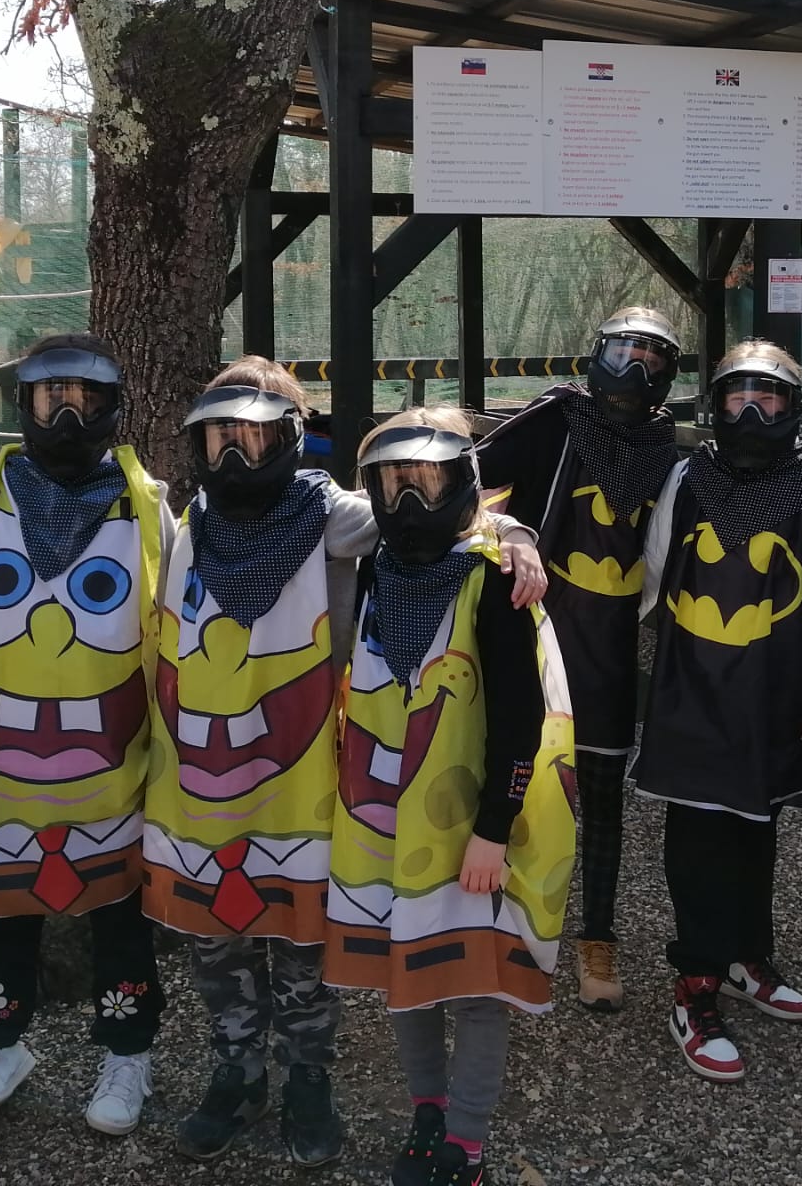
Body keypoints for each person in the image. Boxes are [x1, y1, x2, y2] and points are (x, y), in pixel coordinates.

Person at [143, 357, 545, 1168]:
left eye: (255, 434)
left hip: (305, 778)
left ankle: (308, 1080)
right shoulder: (192, 526)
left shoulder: (327, 516)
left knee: (301, 942)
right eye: (221, 437)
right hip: (204, 777)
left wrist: (516, 536)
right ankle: (236, 1072)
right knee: (218, 935)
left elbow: (435, 511)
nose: (236, 454)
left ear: (290, 436)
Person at [0, 334, 174, 1136]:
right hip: (3, 760)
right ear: (22, 405)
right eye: (49, 398)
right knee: (2, 910)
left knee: (120, 915)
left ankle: (127, 1055)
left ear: (113, 409)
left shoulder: (147, 509)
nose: (67, 416)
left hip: (116, 758)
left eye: (85, 400)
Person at [326, 410, 574, 1186]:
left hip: (470, 830)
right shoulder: (373, 568)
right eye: (393, 483)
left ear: (462, 484)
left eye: (427, 482)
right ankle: (426, 1113)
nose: (409, 501)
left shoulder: (493, 580)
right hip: (386, 822)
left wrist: (493, 830)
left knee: (474, 986)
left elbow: (521, 721)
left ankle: (466, 1139)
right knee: (409, 980)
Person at [632, 343, 802, 1080]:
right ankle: (695, 982)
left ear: (792, 407)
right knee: (699, 832)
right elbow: (654, 577)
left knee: (756, 825)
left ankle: (743, 957)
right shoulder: (687, 479)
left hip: (773, 691)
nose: (752, 411)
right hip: (692, 688)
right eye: (738, 397)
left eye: (768, 397)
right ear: (717, 404)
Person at [475, 307, 683, 1013]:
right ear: (598, 354)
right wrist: (510, 530)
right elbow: (462, 479)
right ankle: (496, 929)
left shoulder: (666, 449)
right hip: (533, 635)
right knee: (509, 780)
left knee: (599, 799)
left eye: (652, 360)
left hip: (610, 645)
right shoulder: (556, 419)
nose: (635, 371)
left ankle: (597, 940)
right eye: (625, 353)